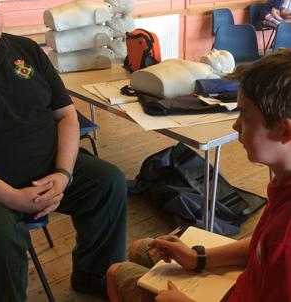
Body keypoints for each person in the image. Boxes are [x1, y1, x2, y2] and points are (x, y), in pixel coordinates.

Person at [0, 0, 127, 302]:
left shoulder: (24, 50)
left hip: (47, 171)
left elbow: (67, 115)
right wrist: (12, 197)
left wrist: (63, 173)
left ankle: (94, 277)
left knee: (108, 183)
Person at [107, 50, 291, 302]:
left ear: (285, 130)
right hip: (247, 285)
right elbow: (260, 245)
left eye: (245, 115)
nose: (236, 125)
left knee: (116, 273)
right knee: (140, 249)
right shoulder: (283, 180)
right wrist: (198, 258)